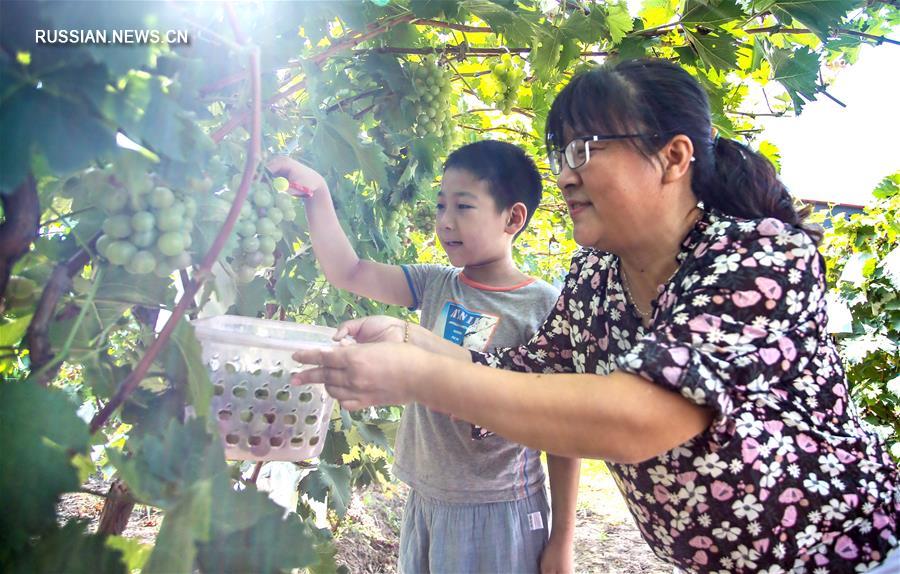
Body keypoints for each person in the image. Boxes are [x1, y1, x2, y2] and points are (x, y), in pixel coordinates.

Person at [290, 58, 900, 573]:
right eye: (561, 152)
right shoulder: (596, 277)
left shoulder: (759, 255)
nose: (565, 174)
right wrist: (406, 338)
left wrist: (414, 375)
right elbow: (521, 371)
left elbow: (641, 418)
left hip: (850, 555)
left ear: (673, 156)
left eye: (585, 149)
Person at [268, 141, 580, 574]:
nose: (445, 221)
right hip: (425, 499)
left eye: (464, 206)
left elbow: (562, 433)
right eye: (440, 206)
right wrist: (317, 194)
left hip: (499, 508)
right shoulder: (435, 284)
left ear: (513, 218)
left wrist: (562, 538)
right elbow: (349, 271)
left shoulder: (542, 305)